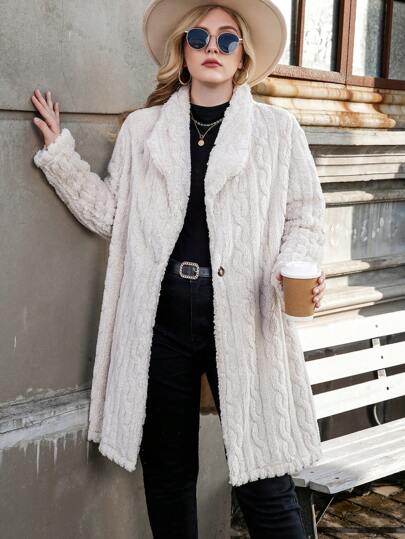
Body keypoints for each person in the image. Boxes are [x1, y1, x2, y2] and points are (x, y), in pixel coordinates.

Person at [31, 1, 326, 537]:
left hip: (243, 313)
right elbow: (112, 216)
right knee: (168, 476)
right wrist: (59, 154)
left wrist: (291, 268)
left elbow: (304, 218)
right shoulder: (144, 129)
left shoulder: (278, 131)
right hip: (161, 319)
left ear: (242, 56)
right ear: (182, 51)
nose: (213, 48)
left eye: (227, 39)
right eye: (199, 37)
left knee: (266, 479)